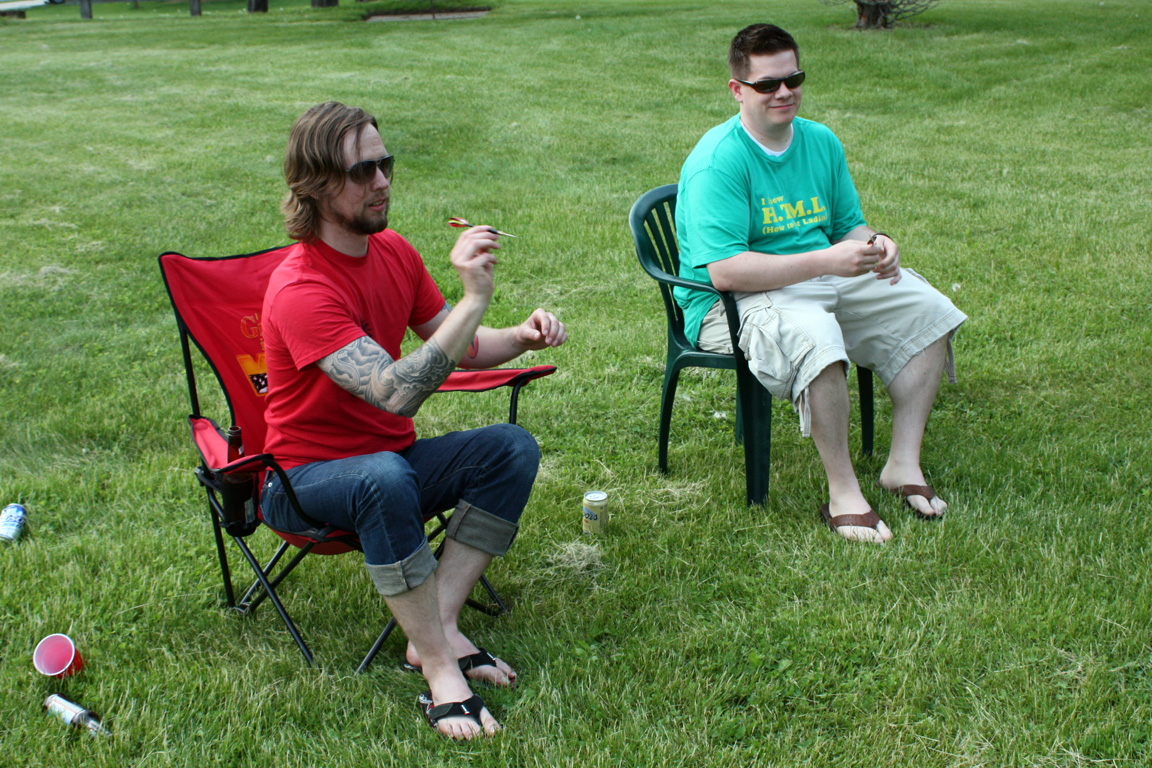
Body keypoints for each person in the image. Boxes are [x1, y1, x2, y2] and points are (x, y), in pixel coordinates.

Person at [259, 101, 567, 739]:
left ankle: (439, 627)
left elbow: (462, 347)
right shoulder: (301, 289)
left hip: (391, 464)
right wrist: (474, 296)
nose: (381, 181)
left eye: (385, 163)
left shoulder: (393, 251)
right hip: (303, 480)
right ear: (314, 185)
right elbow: (395, 394)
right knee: (382, 477)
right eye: (361, 171)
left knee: (509, 448)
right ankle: (440, 668)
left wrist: (520, 335)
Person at [675, 24, 967, 543]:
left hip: (817, 273)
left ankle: (903, 463)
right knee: (818, 340)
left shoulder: (820, 141)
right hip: (730, 302)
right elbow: (726, 272)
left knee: (928, 307)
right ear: (737, 89)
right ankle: (844, 494)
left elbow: (847, 225)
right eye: (768, 84)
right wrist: (825, 261)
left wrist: (876, 241)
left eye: (794, 79)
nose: (784, 92)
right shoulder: (717, 161)